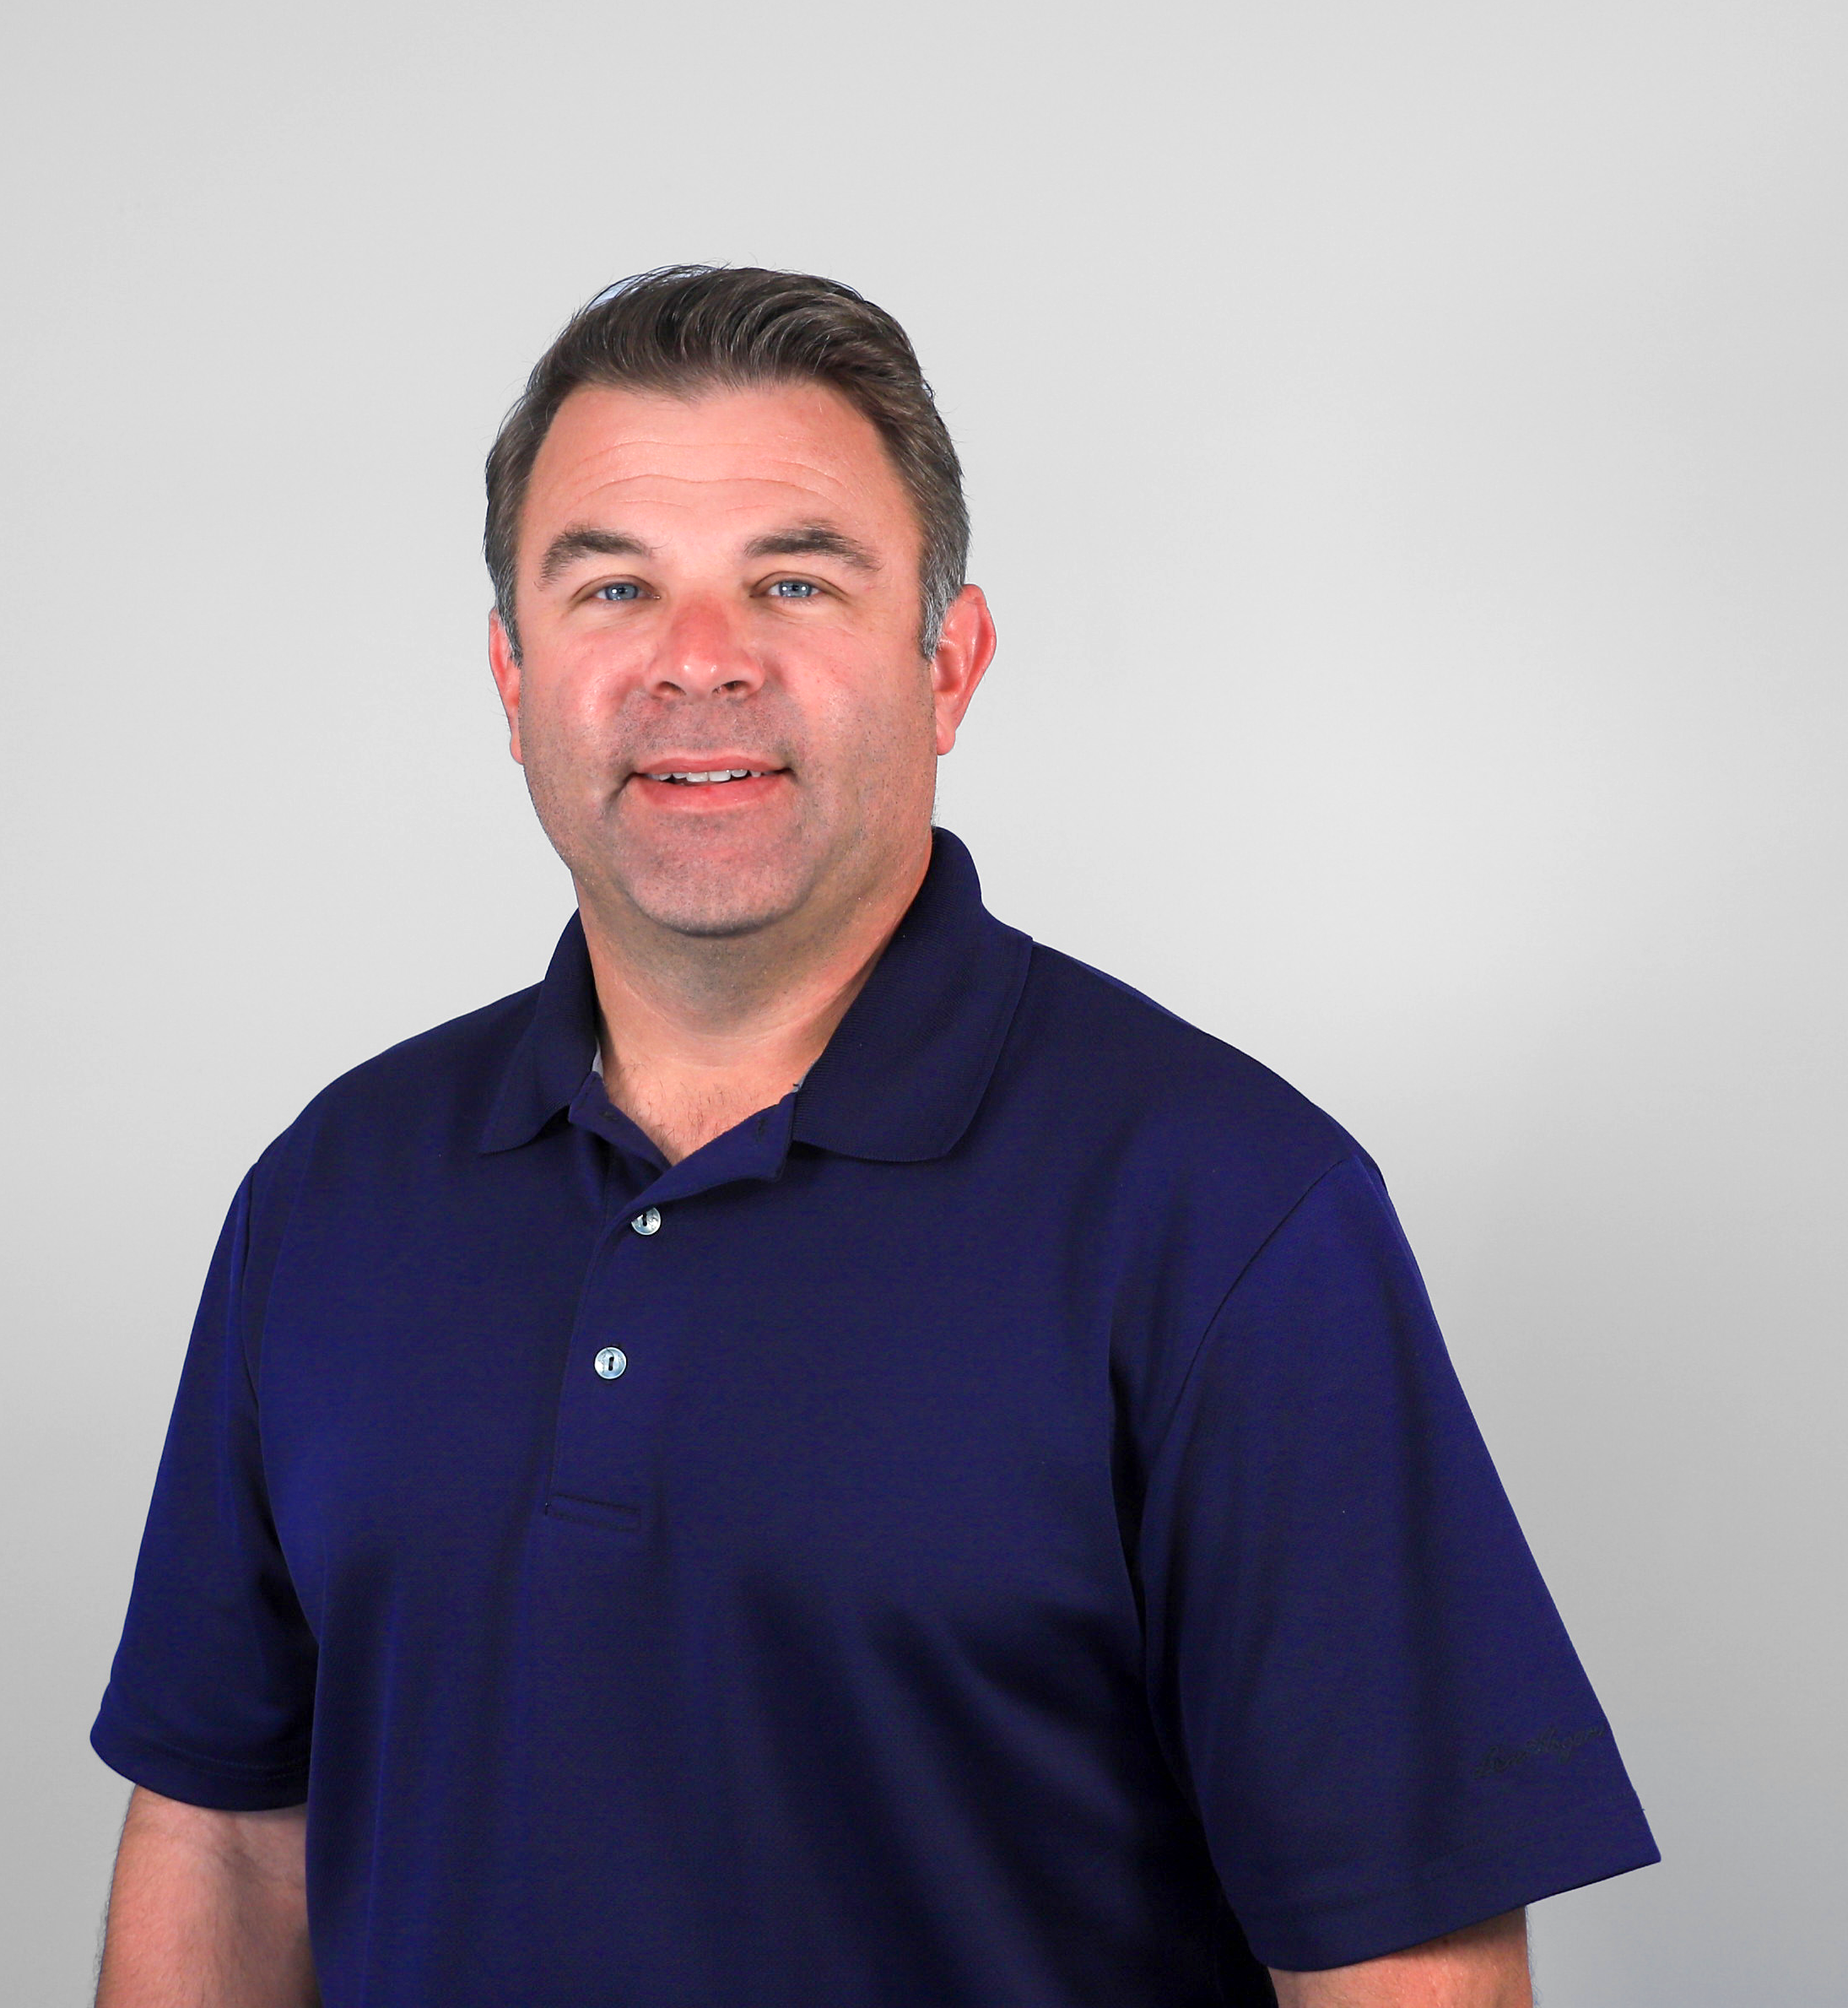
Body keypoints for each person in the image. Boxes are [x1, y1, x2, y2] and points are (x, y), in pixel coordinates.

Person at [89, 265, 1658, 2008]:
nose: (699, 661)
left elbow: (1404, 1968)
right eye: (613, 585)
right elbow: (229, 1835)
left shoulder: (1225, 1213)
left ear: (947, 662)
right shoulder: (334, 1191)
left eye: (793, 579)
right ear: (511, 673)